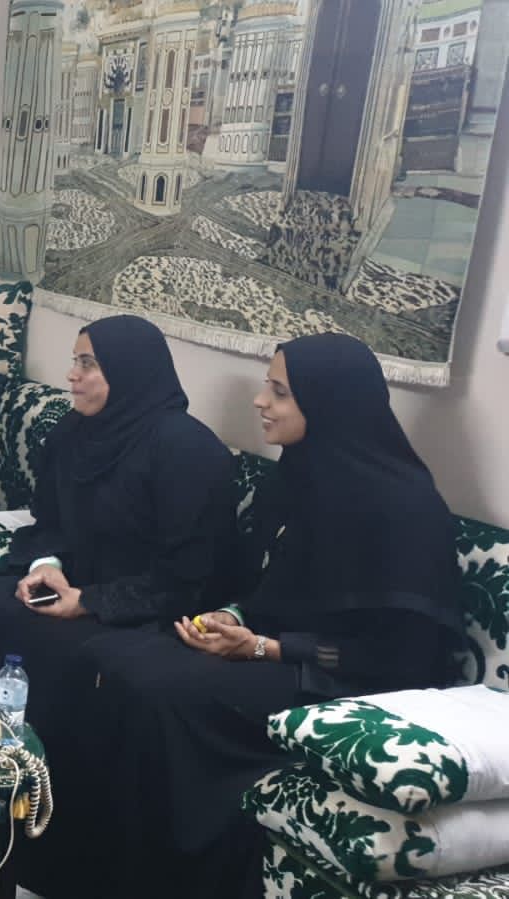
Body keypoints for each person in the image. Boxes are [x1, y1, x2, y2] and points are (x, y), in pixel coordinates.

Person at [78, 333, 463, 898]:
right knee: (111, 657)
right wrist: (234, 615)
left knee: (161, 694)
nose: (261, 402)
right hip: (274, 654)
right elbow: (268, 587)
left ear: (329, 404)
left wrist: (265, 647)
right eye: (267, 387)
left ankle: (169, 880)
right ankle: (94, 870)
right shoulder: (299, 475)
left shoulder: (404, 508)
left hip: (347, 684)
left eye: (280, 392)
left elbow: (404, 657)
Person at [0, 314, 235, 897]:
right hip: (77, 587)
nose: (71, 376)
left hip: (150, 609)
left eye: (87, 364)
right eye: (74, 361)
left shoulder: (186, 450)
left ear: (129, 372)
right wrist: (45, 566)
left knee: (76, 661)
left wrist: (90, 603)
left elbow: (189, 577)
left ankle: (46, 844)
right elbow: (50, 521)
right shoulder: (74, 433)